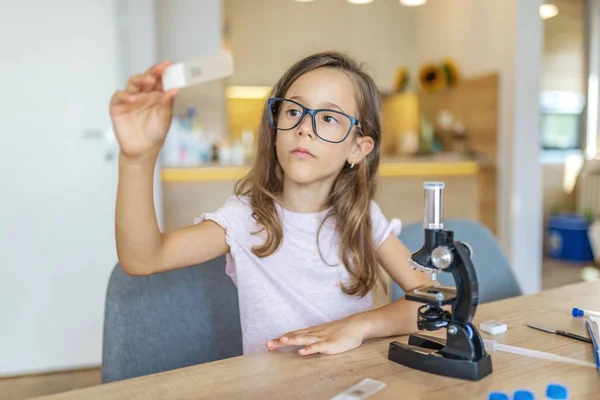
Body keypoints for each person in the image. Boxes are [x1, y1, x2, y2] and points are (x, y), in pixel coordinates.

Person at [109, 51, 430, 357]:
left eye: (329, 117)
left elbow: (436, 304)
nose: (305, 127)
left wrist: (360, 325)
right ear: (275, 129)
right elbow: (143, 259)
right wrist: (137, 159)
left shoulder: (363, 220)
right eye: (293, 111)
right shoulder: (243, 220)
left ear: (358, 150)